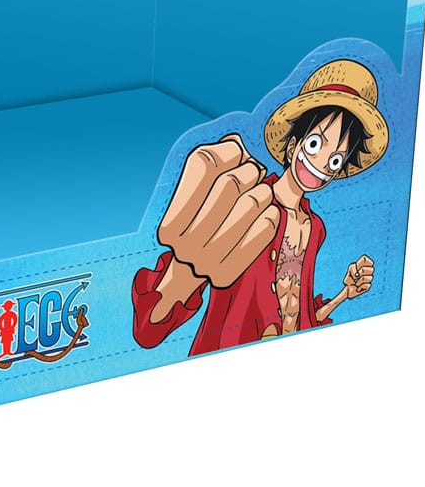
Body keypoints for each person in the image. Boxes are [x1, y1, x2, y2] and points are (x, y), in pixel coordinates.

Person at [132, 59, 388, 354]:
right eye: (315, 145)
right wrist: (184, 268)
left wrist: (345, 294)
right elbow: (148, 331)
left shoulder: (315, 228)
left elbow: (299, 315)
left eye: (335, 160)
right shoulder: (245, 202)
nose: (320, 165)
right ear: (292, 146)